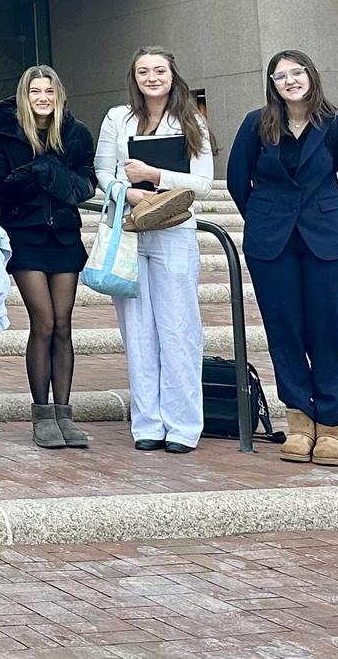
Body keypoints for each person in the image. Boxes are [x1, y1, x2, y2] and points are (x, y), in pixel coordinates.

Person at [227, 50, 338, 466]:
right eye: (280, 76)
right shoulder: (257, 124)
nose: (289, 81)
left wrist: (334, 219)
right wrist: (264, 216)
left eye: (296, 72)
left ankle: (331, 425)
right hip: (272, 242)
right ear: (272, 85)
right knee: (284, 330)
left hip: (327, 240)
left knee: (326, 329)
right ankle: (300, 421)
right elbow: (238, 180)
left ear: (310, 75)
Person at [95, 46, 214, 454]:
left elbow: (204, 182)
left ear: (171, 74)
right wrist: (126, 192)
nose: (152, 77)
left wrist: (154, 175)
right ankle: (147, 423)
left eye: (159, 70)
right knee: (138, 331)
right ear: (135, 77)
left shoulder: (191, 119)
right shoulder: (117, 117)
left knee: (179, 329)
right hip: (130, 229)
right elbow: (100, 171)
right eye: (143, 71)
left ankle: (183, 427)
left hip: (175, 231)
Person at [0, 65, 96, 450]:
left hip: (64, 235)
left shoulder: (76, 134)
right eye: (35, 91)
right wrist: (42, 171)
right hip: (26, 235)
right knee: (43, 321)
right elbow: (3, 190)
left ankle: (64, 414)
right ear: (24, 96)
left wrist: (50, 174)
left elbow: (84, 186)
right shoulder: (5, 134)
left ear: (58, 94)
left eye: (49, 91)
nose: (43, 97)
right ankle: (41, 414)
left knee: (64, 324)